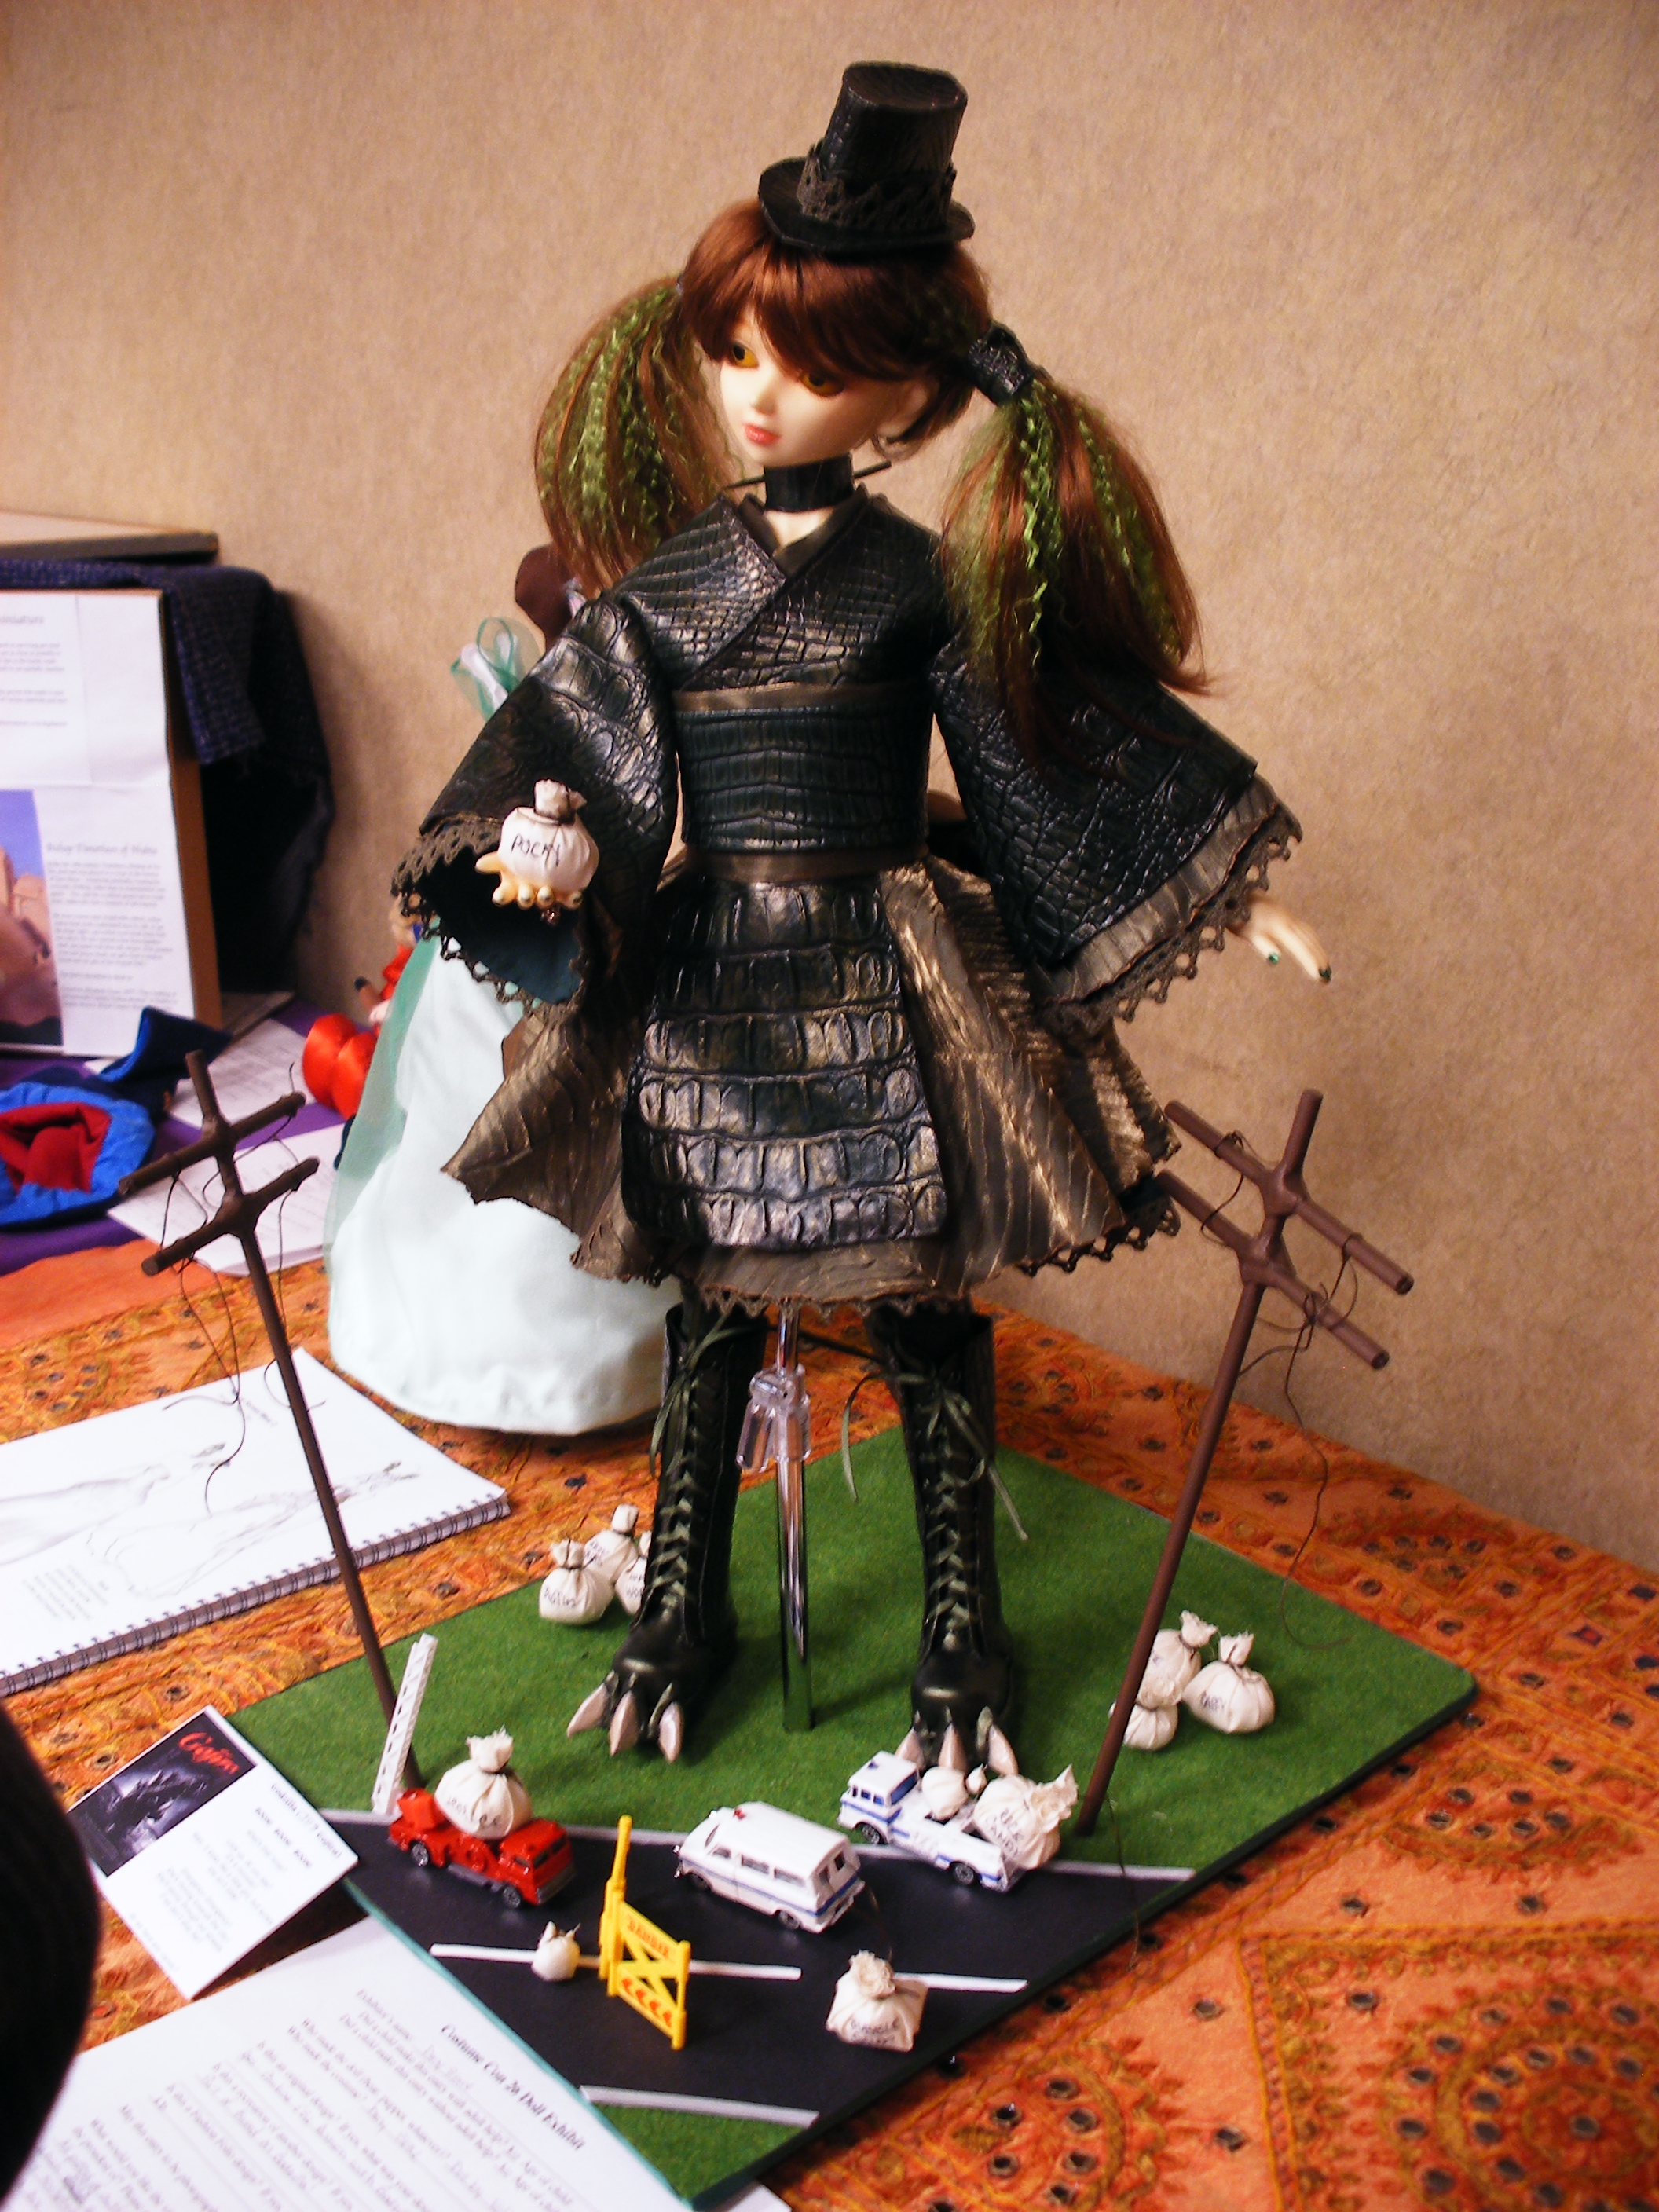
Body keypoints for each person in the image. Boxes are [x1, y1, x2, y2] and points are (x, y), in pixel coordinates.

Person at [397, 63, 1325, 1771]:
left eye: (813, 368)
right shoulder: (670, 589)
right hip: (715, 979)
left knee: (918, 1300)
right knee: (706, 1292)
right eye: (738, 351)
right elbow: (579, 736)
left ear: (909, 395)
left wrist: (1222, 878)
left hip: (892, 971)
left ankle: (963, 1622)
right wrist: (546, 850)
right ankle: (686, 1596)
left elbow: (1043, 733)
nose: (760, 395)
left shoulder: (921, 582)